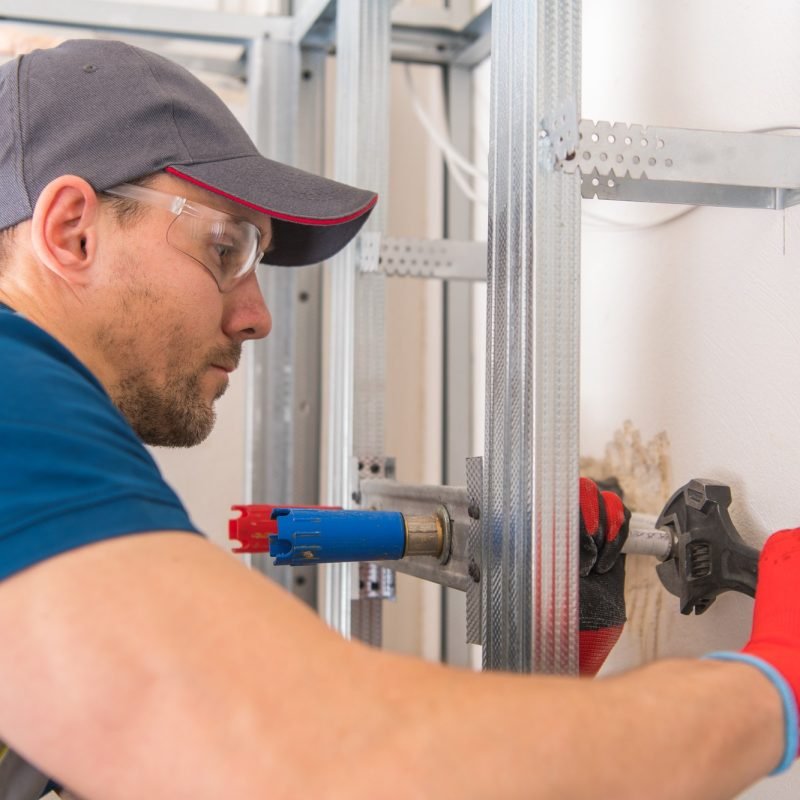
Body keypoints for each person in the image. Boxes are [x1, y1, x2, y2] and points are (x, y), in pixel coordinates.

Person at [0, 38, 796, 800]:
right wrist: (773, 689)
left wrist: (571, 663)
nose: (255, 315)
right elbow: (319, 758)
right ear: (71, 230)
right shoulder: (18, 398)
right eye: (225, 249)